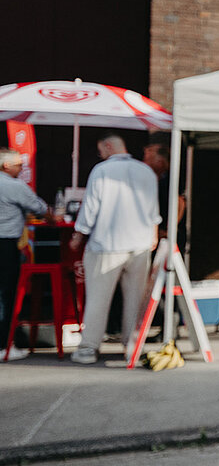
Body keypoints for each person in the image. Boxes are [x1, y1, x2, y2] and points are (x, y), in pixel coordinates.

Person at [69, 134, 160, 365]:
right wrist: (153, 236)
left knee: (98, 299)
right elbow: (153, 211)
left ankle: (89, 348)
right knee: (136, 300)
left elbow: (90, 208)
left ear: (108, 146)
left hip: (106, 244)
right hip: (140, 244)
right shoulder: (146, 171)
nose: (100, 154)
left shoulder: (101, 171)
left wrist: (79, 235)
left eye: (101, 149)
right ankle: (133, 346)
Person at [0, 150, 50, 361]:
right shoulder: (14, 186)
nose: (21, 169)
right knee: (5, 294)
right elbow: (40, 208)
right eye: (18, 165)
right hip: (5, 244)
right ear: (6, 166)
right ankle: (3, 346)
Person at [142, 134, 186, 250]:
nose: (144, 163)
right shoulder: (150, 179)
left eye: (148, 159)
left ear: (160, 161)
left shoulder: (169, 181)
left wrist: (168, 229)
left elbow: (180, 202)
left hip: (163, 235)